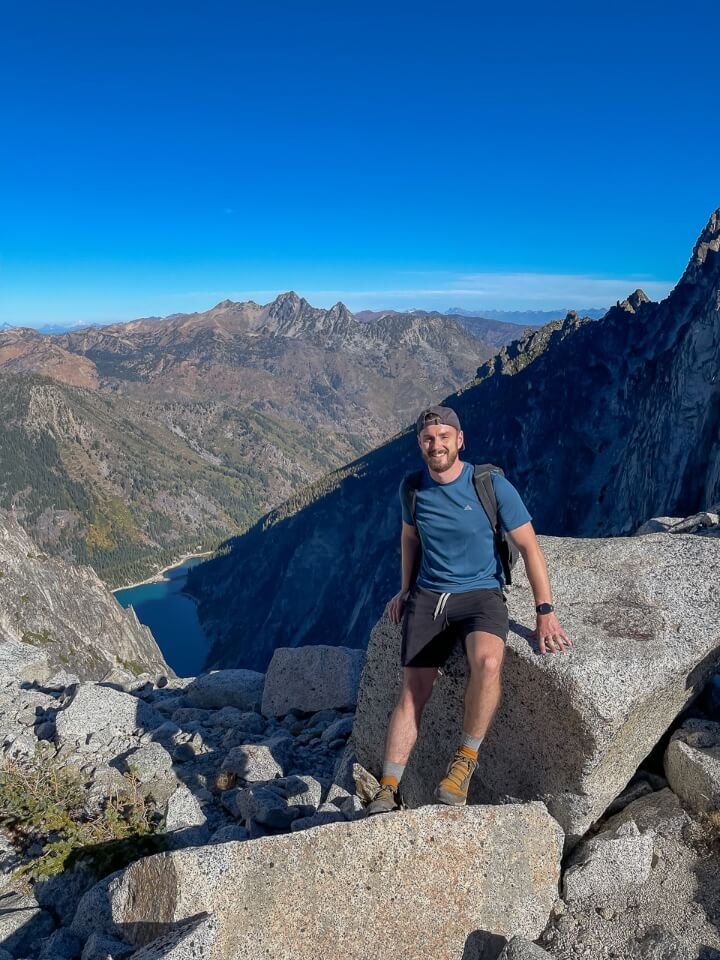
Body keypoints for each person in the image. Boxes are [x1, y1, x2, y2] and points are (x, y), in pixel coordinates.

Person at [366, 405, 571, 815]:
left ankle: (464, 763)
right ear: (419, 445)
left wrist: (544, 611)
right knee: (413, 692)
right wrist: (405, 590)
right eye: (428, 439)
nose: (436, 445)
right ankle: (387, 789)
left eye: (444, 437)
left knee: (489, 663)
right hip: (430, 596)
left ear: (459, 440)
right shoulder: (412, 489)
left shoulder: (490, 485)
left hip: (481, 595)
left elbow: (529, 547)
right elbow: (409, 538)